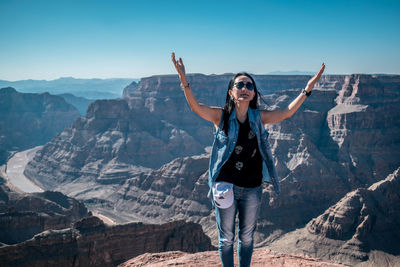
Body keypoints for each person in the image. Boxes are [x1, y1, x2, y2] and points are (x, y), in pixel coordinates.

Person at [171, 52, 325, 267]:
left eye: (249, 86)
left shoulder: (259, 118)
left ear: (253, 94)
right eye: (240, 84)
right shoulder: (221, 117)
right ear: (231, 92)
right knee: (226, 239)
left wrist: (307, 88)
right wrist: (183, 80)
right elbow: (196, 107)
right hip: (225, 185)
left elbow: (287, 112)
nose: (245, 88)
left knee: (247, 237)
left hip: (252, 187)